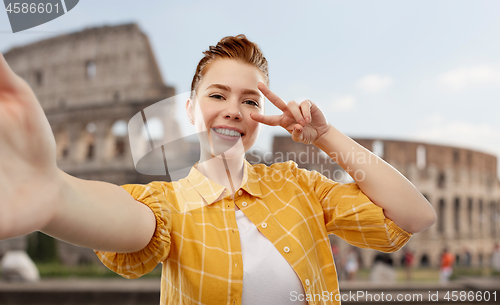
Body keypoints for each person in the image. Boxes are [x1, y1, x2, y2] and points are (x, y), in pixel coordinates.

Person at [0, 35, 437, 304]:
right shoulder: (170, 203)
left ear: (262, 116)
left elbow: (414, 216)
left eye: (250, 101)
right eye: (217, 96)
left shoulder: (300, 185)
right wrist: (55, 194)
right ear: (190, 109)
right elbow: (128, 218)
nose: (233, 111)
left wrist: (324, 136)